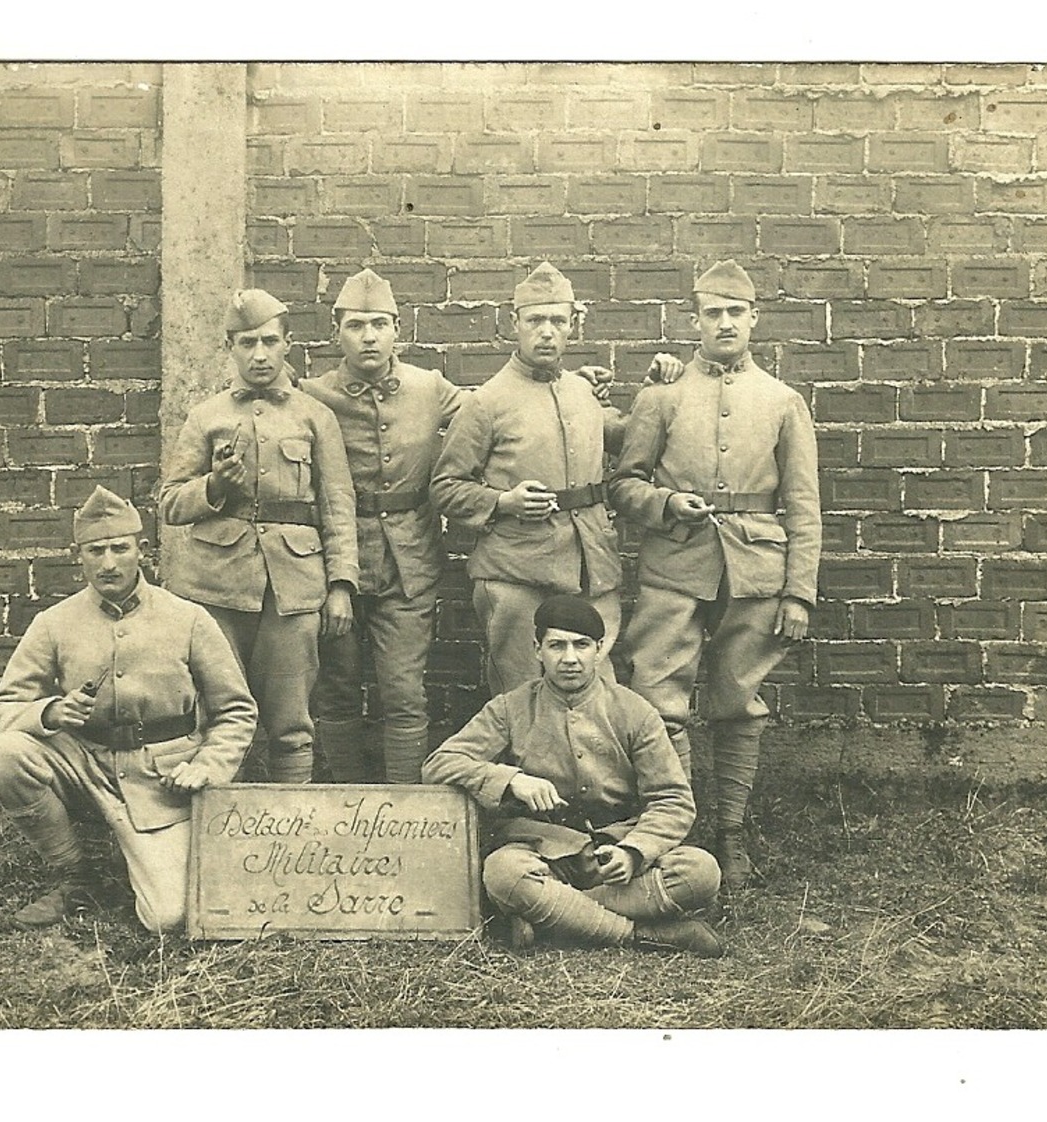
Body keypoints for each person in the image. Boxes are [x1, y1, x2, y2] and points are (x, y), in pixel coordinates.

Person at [609, 259, 821, 891]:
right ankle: (672, 832)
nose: (724, 323)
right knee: (659, 701)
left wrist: (799, 592)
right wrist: (664, 505)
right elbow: (623, 483)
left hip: (755, 571)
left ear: (754, 319)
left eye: (736, 312)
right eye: (712, 313)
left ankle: (731, 833)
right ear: (694, 321)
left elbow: (805, 504)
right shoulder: (661, 396)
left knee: (738, 704)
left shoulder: (783, 402)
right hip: (675, 567)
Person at [0, 486, 257, 931]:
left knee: (169, 917)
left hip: (161, 780)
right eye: (95, 551)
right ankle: (77, 874)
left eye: (119, 548)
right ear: (80, 557)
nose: (108, 563)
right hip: (85, 763)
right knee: (4, 755)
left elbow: (237, 710)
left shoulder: (187, 618)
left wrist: (209, 766)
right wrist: (50, 713)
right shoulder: (54, 622)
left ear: (141, 551)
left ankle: (133, 861)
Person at [422, 595, 724, 955]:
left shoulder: (634, 711)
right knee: (503, 875)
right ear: (537, 650)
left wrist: (633, 852)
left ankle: (554, 915)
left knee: (701, 872)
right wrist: (510, 779)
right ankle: (644, 935)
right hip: (543, 854)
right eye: (556, 645)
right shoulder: (510, 708)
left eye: (581, 645)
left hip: (615, 854)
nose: (569, 658)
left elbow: (673, 799)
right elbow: (439, 764)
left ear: (599, 648)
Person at [158, 288, 359, 784]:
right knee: (219, 718)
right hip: (215, 589)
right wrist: (214, 485)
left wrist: (340, 587)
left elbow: (338, 506)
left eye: (270, 341)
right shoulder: (206, 416)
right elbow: (169, 504)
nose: (260, 354)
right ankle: (221, 832)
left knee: (291, 722)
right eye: (247, 343)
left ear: (288, 343)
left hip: (294, 590)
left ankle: (285, 833)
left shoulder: (316, 417)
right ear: (230, 346)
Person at [299, 268, 466, 783]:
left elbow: (495, 418)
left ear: (398, 329)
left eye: (379, 324)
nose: (368, 337)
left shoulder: (430, 388)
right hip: (333, 563)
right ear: (337, 331)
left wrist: (579, 381)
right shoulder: (311, 394)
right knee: (337, 687)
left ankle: (403, 815)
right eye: (355, 326)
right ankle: (349, 807)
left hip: (410, 562)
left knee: (404, 692)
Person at [430, 261, 626, 696]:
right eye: (535, 319)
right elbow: (446, 487)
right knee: (522, 696)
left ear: (573, 325)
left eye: (558, 320)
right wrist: (503, 502)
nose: (547, 331)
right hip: (516, 572)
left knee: (598, 694)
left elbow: (631, 441)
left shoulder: (584, 392)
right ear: (513, 324)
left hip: (589, 567)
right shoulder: (486, 402)